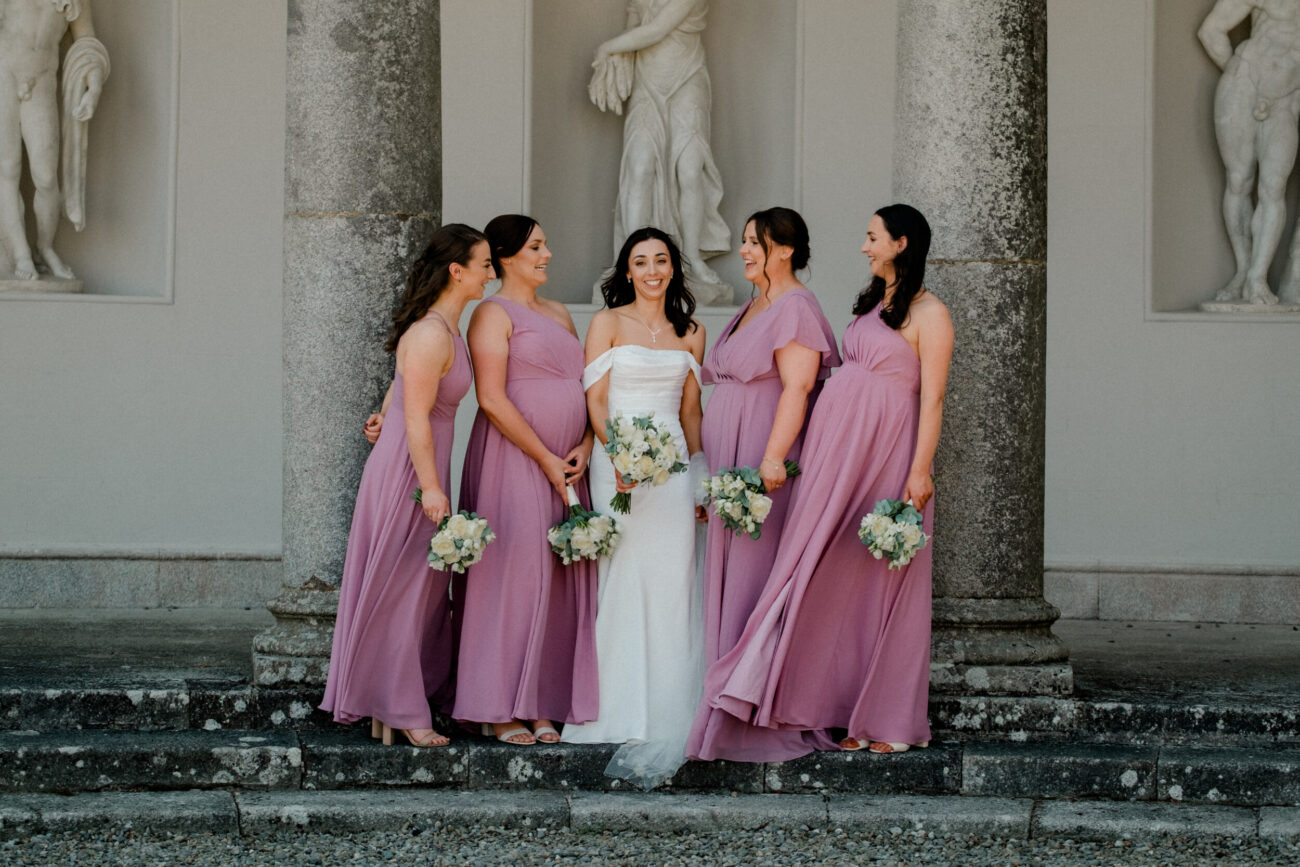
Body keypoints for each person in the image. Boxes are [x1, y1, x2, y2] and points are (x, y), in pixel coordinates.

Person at [689, 204, 953, 761]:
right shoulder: (874, 304)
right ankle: (823, 704)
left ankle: (886, 715)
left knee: (879, 578)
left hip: (883, 451)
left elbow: (931, 398)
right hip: (835, 453)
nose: (864, 246)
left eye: (873, 236)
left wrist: (919, 469)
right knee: (822, 573)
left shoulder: (931, 313)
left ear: (902, 243)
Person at [320, 223, 493, 748]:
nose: (490, 273)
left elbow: (401, 394)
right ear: (457, 270)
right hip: (410, 473)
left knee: (421, 589)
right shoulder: (430, 334)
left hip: (419, 462)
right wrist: (432, 487)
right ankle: (399, 708)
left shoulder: (447, 330)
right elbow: (416, 417)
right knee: (405, 586)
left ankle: (400, 700)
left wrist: (380, 416)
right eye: (485, 264)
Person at [560, 226, 707, 790]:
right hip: (616, 461)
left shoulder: (692, 331)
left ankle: (670, 709)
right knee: (622, 573)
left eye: (661, 260)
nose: (652, 270)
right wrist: (618, 455)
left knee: (673, 579)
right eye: (641, 261)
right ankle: (617, 709)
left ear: (673, 268)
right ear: (627, 270)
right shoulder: (607, 322)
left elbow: (690, 413)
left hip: (672, 469)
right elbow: (595, 400)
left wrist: (699, 476)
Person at [452, 215, 600, 746]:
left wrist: (586, 443)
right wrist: (544, 458)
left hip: (568, 464)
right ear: (506, 256)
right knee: (514, 575)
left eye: (545, 244)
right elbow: (491, 398)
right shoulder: (491, 314)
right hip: (514, 458)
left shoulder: (560, 313)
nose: (547, 254)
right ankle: (497, 704)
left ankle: (541, 701)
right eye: (536, 246)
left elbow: (587, 387)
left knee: (558, 578)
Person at [588, 0, 732, 304]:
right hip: (646, 83)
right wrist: (618, 63)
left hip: (688, 79)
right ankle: (630, 260)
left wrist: (607, 49)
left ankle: (691, 259)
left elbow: (656, 29)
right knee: (640, 166)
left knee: (690, 169)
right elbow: (634, 28)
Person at [1198, 0, 1300, 305]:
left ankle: (1258, 276)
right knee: (1239, 180)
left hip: (1287, 99)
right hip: (1243, 87)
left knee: (1274, 187)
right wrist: (1242, 76)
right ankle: (1243, 271)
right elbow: (1210, 31)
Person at [0, 0, 108, 281]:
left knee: (46, 177)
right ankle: (21, 254)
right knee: (6, 169)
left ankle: (44, 247)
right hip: (3, 77)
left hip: (41, 83)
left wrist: (94, 87)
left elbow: (86, 41)